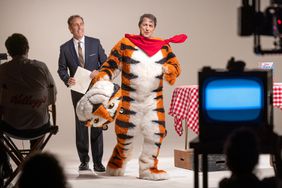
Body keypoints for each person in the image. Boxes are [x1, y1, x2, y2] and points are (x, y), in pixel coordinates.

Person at [84, 13, 187, 180]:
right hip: (129, 100)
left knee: (156, 134)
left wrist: (169, 69)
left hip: (153, 101)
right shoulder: (125, 43)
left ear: (154, 28)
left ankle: (148, 169)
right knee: (124, 136)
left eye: (150, 25)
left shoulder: (164, 47)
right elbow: (111, 64)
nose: (147, 28)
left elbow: (175, 66)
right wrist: (104, 76)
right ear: (139, 26)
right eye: (144, 24)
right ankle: (118, 162)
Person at [0, 33, 57, 183]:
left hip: (10, 126)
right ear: (27, 48)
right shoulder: (41, 67)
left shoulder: (3, 69)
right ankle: (33, 168)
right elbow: (52, 97)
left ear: (9, 52)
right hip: (39, 127)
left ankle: (5, 168)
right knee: (39, 121)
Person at [57, 15, 107, 173]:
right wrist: (67, 79)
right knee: (81, 126)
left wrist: (98, 71)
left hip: (96, 89)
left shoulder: (95, 43)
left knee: (97, 124)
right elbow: (61, 69)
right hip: (78, 91)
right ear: (70, 28)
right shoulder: (64, 48)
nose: (79, 28)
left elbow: (106, 63)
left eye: (81, 24)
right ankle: (84, 161)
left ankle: (98, 162)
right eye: (75, 25)